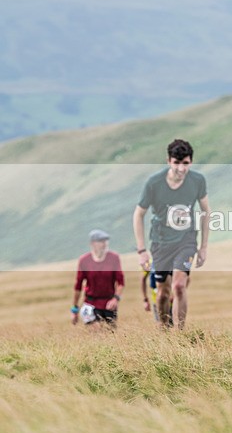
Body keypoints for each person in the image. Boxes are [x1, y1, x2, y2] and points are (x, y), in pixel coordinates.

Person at [133, 139, 210, 329]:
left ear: (190, 162)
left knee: (179, 286)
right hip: (160, 243)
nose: (181, 169)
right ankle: (164, 332)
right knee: (163, 293)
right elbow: (138, 214)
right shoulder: (154, 183)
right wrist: (142, 250)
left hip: (186, 240)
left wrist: (203, 247)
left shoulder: (197, 181)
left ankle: (181, 334)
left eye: (185, 163)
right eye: (177, 163)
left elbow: (206, 211)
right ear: (169, 161)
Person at [71, 229, 125, 327]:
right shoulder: (84, 260)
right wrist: (74, 309)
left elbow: (120, 282)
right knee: (96, 331)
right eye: (101, 241)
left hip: (109, 303)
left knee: (111, 334)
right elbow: (78, 286)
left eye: (105, 241)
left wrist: (115, 299)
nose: (104, 244)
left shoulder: (114, 258)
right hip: (90, 304)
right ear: (92, 243)